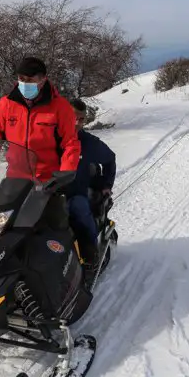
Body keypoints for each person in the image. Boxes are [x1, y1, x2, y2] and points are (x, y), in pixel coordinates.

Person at [0, 56, 81, 229]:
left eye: (29, 80)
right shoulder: (6, 104)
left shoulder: (59, 107)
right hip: (15, 178)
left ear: (42, 80)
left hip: (48, 181)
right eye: (21, 79)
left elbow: (70, 143)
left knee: (53, 229)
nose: (24, 83)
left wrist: (65, 174)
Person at [65, 98, 116, 267]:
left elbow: (110, 159)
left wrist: (107, 185)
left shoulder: (88, 142)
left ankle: (91, 253)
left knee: (78, 206)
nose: (77, 123)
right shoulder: (48, 138)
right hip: (46, 195)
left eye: (81, 119)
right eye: (73, 117)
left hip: (75, 194)